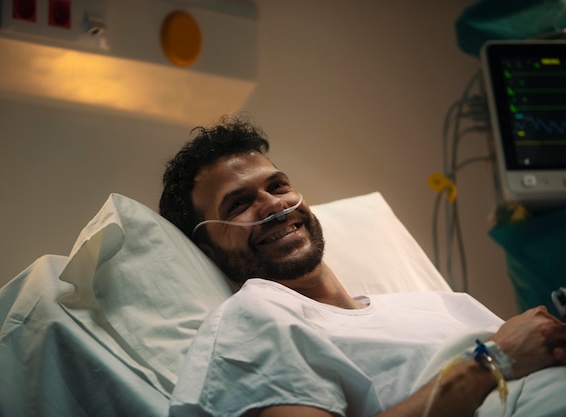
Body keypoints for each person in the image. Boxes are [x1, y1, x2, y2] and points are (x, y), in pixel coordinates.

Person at [159, 114, 566, 417]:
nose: (274, 206)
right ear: (209, 250)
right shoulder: (253, 320)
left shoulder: (438, 304)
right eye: (239, 203)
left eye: (278, 185)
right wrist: (492, 362)